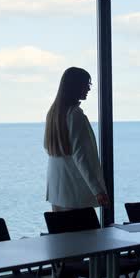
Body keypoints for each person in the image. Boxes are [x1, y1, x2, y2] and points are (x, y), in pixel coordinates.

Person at [45, 67, 109, 212]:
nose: (89, 88)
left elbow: (47, 147)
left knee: (63, 235)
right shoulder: (74, 114)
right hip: (75, 194)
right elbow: (81, 157)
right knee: (87, 234)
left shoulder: (53, 113)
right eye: (86, 84)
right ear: (75, 86)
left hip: (57, 192)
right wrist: (97, 190)